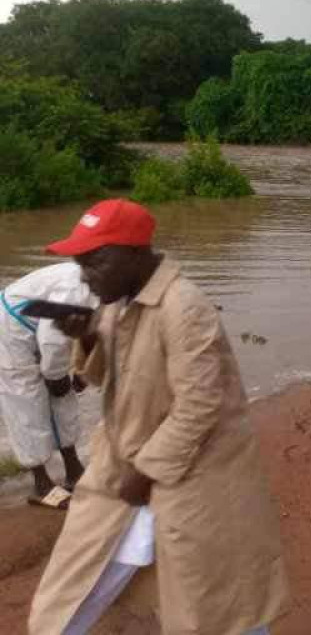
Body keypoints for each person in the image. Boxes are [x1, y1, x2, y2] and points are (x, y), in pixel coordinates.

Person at [30, 199, 287, 634]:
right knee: (75, 588)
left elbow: (200, 405)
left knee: (214, 599)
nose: (85, 277)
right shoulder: (118, 302)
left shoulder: (184, 309)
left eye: (94, 262)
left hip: (191, 474)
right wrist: (89, 336)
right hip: (127, 470)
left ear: (133, 253)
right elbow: (114, 375)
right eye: (80, 264)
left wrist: (146, 471)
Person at [0, 262, 91, 509]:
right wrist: (56, 376)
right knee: (25, 399)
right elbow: (52, 340)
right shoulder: (76, 289)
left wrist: (84, 371)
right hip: (12, 324)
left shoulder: (114, 290)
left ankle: (74, 471)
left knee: (64, 396)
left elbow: (96, 332)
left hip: (44, 326)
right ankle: (41, 484)